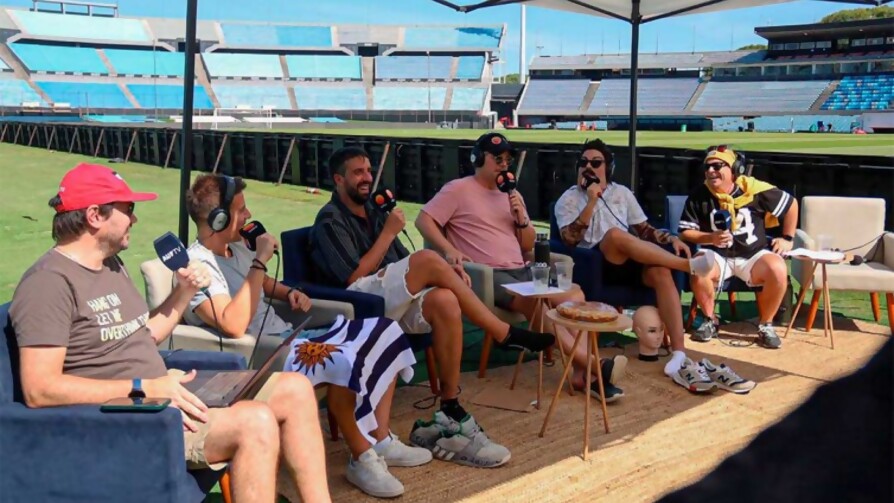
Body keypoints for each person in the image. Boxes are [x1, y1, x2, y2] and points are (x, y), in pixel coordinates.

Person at [9, 163, 331, 503]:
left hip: (163, 388)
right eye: (128, 209)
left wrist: (183, 294)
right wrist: (144, 386)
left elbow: (143, 335)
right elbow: (39, 389)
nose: (133, 219)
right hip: (129, 416)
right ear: (94, 215)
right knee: (255, 421)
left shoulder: (111, 265)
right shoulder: (48, 283)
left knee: (295, 387)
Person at [183, 174, 430, 498]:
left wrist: (289, 293)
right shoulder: (197, 265)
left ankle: (379, 439)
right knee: (342, 358)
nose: (248, 215)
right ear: (219, 218)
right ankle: (362, 457)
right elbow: (232, 324)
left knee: (385, 331)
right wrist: (260, 260)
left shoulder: (235, 249)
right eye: (241, 210)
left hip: (290, 334)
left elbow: (262, 285)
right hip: (265, 352)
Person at [310, 146, 555, 469]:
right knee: (428, 259)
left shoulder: (375, 210)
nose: (367, 177)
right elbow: (353, 278)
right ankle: (501, 332)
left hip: (388, 297)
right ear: (338, 179)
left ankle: (450, 406)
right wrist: (388, 236)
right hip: (356, 303)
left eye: (369, 170)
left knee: (445, 299)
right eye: (358, 172)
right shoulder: (329, 219)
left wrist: (439, 274)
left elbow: (400, 262)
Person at [417, 132, 626, 402]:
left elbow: (526, 245)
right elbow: (424, 220)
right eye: (497, 158)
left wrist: (520, 218)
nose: (504, 164)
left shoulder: (512, 194)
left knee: (574, 295)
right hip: (489, 275)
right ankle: (593, 365)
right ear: (478, 159)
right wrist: (449, 249)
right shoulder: (458, 189)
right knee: (534, 303)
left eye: (507, 160)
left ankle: (581, 371)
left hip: (522, 269)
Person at [552, 139, 719, 394]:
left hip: (628, 261)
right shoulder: (569, 198)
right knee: (615, 236)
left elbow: (645, 230)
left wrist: (671, 237)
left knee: (661, 272)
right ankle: (687, 266)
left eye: (596, 163)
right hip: (594, 265)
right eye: (583, 163)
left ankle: (679, 353)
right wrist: (591, 202)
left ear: (608, 168)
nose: (588, 167)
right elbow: (569, 239)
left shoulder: (622, 193)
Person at [678, 146, 798, 350]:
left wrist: (787, 237)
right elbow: (685, 232)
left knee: (778, 268)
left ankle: (766, 325)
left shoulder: (756, 191)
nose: (710, 171)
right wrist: (710, 238)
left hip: (753, 255)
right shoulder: (699, 195)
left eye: (717, 166)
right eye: (707, 167)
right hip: (717, 255)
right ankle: (709, 320)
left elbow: (791, 204)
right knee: (700, 264)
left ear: (735, 169)